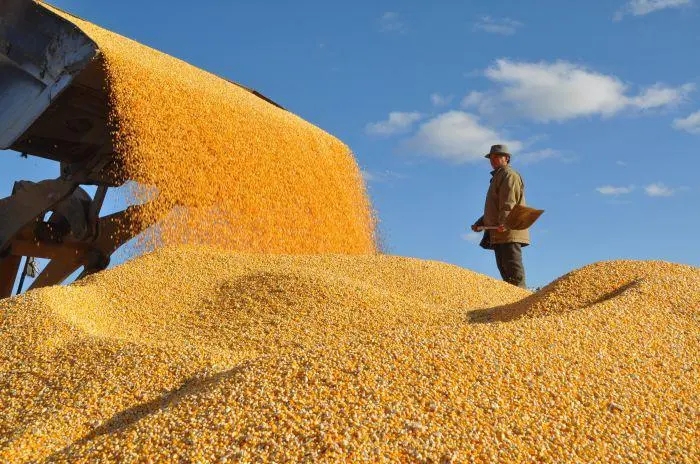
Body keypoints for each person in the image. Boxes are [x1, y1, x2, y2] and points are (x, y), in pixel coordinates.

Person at [471, 144, 529, 288]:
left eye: (497, 157)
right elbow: (494, 208)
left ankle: (521, 301)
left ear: (507, 158)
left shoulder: (509, 175)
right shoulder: (498, 176)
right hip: (499, 231)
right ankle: (511, 304)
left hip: (508, 229)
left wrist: (504, 223)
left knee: (513, 270)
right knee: (504, 270)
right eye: (491, 157)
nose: (493, 160)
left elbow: (509, 202)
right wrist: (480, 222)